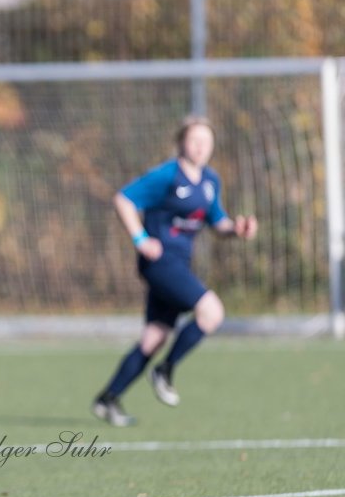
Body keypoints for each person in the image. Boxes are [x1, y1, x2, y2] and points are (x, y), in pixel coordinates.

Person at [92, 116, 258, 426]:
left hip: (178, 265)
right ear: (181, 142)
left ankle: (108, 399)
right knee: (211, 312)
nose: (200, 147)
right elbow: (123, 199)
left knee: (153, 338)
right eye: (194, 140)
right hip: (159, 263)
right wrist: (140, 238)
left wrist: (236, 229)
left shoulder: (210, 181)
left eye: (206, 142)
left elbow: (217, 222)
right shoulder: (167, 175)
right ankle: (165, 370)